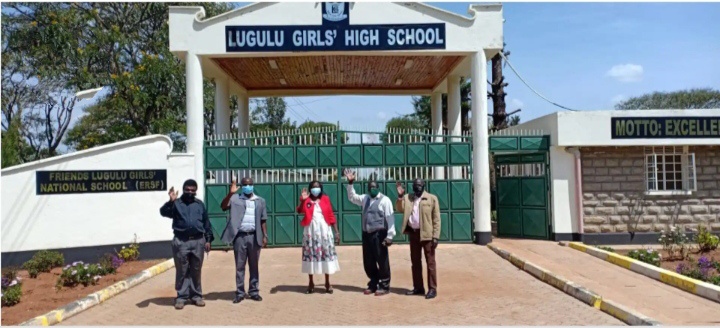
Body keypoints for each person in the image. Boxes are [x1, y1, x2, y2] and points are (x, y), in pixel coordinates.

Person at [159, 179, 214, 310]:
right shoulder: (176, 204)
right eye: (187, 190)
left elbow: (206, 223)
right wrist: (171, 201)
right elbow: (163, 212)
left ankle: (196, 296)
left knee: (196, 269)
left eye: (192, 190)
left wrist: (208, 239)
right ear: (183, 189)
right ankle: (181, 297)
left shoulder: (199, 204)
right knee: (182, 270)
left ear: (196, 191)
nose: (190, 192)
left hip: (198, 241)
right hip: (181, 241)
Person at [344, 170, 396, 296]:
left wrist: (390, 236)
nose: (372, 188)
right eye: (370, 187)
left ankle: (384, 285)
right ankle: (373, 282)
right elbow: (352, 197)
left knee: (382, 260)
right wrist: (350, 183)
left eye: (374, 187)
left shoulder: (385, 200)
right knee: (368, 261)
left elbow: (390, 218)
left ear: (378, 188)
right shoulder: (365, 199)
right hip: (367, 234)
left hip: (379, 235)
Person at [220, 177, 268, 304]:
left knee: (254, 266)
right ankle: (240, 292)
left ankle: (254, 291)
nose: (248, 186)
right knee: (240, 266)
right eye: (245, 184)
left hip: (254, 236)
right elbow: (223, 206)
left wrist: (265, 235)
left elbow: (263, 220)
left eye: (250, 184)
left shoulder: (260, 201)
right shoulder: (235, 198)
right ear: (241, 186)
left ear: (253, 185)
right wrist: (231, 193)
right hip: (240, 237)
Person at [395, 178, 440, 299]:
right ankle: (418, 287)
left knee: (430, 263)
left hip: (427, 235)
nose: (417, 187)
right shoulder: (408, 198)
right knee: (415, 263)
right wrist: (400, 196)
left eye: (419, 185)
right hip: (413, 234)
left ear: (424, 185)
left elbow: (436, 219)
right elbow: (399, 208)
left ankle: (432, 289)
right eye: (415, 185)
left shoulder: (431, 198)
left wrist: (435, 237)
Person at [296, 180, 340, 294]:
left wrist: (336, 232)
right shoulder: (306, 200)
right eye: (313, 186)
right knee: (311, 255)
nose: (316, 188)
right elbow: (299, 211)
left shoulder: (325, 199)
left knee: (325, 254)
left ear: (321, 188)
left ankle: (327, 283)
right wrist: (303, 200)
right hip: (311, 231)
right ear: (310, 189)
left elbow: (330, 214)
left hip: (324, 231)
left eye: (318, 186)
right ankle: (310, 282)